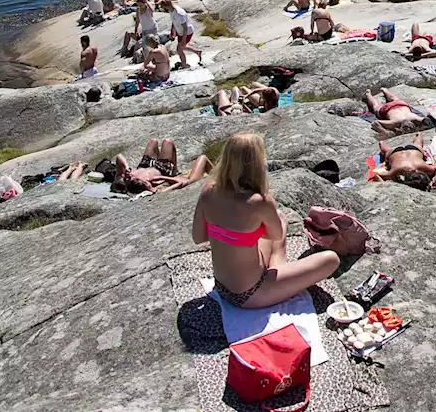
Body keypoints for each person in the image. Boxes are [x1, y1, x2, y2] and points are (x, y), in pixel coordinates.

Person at [193, 133, 339, 309]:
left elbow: (199, 237)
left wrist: (231, 234)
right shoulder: (259, 201)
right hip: (250, 294)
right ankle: (279, 269)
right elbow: (276, 235)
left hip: (222, 285)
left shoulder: (208, 191)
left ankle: (279, 271)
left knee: (278, 217)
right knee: (331, 259)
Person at [115, 138, 212, 193]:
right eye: (143, 181)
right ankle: (173, 170)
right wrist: (160, 178)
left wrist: (127, 168)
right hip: (162, 169)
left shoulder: (125, 178)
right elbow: (181, 183)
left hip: (145, 165)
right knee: (168, 141)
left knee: (153, 141)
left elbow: (119, 157)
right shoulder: (155, 186)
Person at [372, 134, 436, 188]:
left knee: (418, 144)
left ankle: (418, 135)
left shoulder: (422, 167)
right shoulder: (397, 171)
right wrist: (385, 186)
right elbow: (376, 175)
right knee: (386, 150)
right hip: (396, 152)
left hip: (413, 149)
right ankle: (382, 143)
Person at [159, 0, 203, 69]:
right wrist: (172, 31)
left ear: (166, 6)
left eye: (163, 7)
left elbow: (185, 28)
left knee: (179, 49)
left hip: (186, 32)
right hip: (180, 32)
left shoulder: (179, 14)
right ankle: (197, 52)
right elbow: (174, 21)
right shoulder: (171, 10)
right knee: (182, 46)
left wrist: (183, 39)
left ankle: (184, 65)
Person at [215, 83, 281, 115]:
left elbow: (221, 109)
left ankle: (211, 100)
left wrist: (230, 105)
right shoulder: (274, 91)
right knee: (235, 89)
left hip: (230, 110)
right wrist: (246, 97)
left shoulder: (227, 114)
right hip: (235, 106)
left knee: (225, 91)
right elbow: (250, 112)